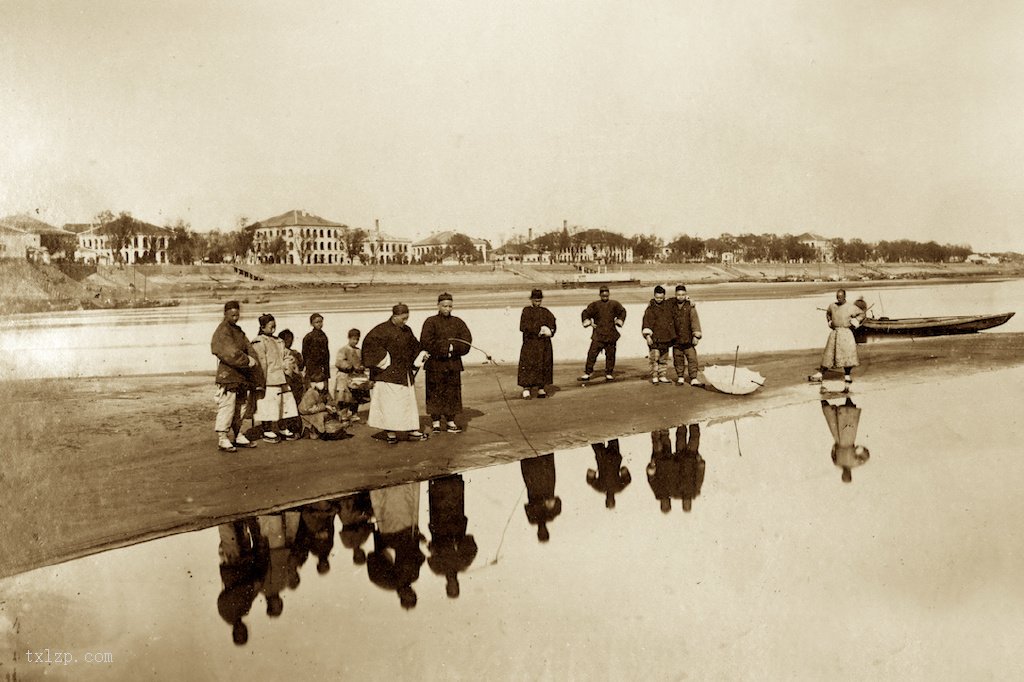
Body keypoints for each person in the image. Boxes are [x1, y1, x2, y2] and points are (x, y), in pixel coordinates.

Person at [362, 303, 429, 444]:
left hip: (404, 373)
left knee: (407, 402)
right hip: (387, 374)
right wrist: (385, 359)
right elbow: (369, 346)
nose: (405, 321)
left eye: (407, 318)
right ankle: (390, 432)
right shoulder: (381, 330)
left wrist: (421, 355)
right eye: (403, 318)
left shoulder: (407, 330)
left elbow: (415, 347)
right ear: (395, 316)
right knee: (389, 405)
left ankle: (411, 429)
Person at [420, 292, 473, 433]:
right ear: (438, 305)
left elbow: (467, 341)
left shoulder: (458, 322)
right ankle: (436, 421)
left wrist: (453, 349)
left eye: (450, 306)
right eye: (444, 306)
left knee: (452, 392)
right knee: (435, 392)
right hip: (435, 365)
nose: (447, 309)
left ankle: (450, 420)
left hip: (453, 364)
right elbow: (425, 341)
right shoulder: (430, 322)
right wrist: (444, 348)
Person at [210, 300, 258, 452]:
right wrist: (247, 360)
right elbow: (229, 353)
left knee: (241, 405)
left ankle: (238, 434)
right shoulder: (222, 331)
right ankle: (223, 438)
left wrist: (253, 360)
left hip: (241, 374)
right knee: (228, 406)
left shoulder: (238, 330)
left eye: (237, 315)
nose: (235, 318)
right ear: (225, 314)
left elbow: (248, 347)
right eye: (232, 315)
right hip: (228, 374)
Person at [251, 314, 299, 443]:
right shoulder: (259, 342)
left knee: (284, 404)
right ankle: (267, 429)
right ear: (262, 327)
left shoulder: (279, 341)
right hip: (269, 379)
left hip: (282, 377)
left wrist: (287, 369)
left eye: (274, 326)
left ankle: (282, 427)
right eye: (271, 326)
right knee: (267, 404)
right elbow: (261, 362)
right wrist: (260, 381)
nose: (273, 329)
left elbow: (287, 356)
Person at [809, 289, 866, 386]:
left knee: (848, 355)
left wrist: (856, 321)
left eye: (840, 297)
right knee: (829, 354)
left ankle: (847, 375)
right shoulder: (832, 306)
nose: (839, 299)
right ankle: (821, 373)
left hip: (846, 333)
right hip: (835, 333)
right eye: (837, 297)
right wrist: (829, 322)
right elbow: (828, 313)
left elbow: (862, 314)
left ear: (844, 297)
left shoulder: (851, 307)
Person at [578, 286, 627, 382]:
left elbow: (622, 312)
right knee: (592, 354)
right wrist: (588, 322)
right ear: (600, 294)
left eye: (606, 294)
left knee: (611, 355)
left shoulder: (614, 304)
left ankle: (609, 373)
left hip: (611, 334)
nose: (605, 296)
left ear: (609, 294)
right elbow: (585, 313)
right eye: (603, 294)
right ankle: (588, 372)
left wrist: (619, 320)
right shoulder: (594, 305)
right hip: (598, 334)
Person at [518, 288, 557, 399]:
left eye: (539, 300)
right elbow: (523, 327)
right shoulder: (526, 311)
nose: (537, 302)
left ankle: (541, 387)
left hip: (544, 344)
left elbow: (553, 322)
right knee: (528, 364)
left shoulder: (545, 311)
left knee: (543, 364)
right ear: (531, 300)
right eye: (535, 300)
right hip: (530, 343)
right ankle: (526, 388)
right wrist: (538, 330)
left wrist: (550, 331)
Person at [822, 397, 870, 483]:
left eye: (844, 475)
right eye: (846, 475)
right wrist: (861, 449)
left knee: (832, 418)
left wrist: (834, 447)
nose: (845, 474)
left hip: (838, 440)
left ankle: (824, 400)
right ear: (850, 474)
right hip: (849, 439)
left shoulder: (837, 464)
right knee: (848, 418)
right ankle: (848, 399)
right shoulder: (856, 463)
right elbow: (866, 457)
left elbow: (833, 455)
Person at [521, 454, 561, 542]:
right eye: (544, 532)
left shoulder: (532, 519)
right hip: (547, 483)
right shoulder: (552, 515)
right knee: (545, 459)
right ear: (547, 531)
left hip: (533, 486)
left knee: (529, 461)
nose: (542, 530)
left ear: (537, 532)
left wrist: (541, 504)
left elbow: (527, 507)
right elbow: (558, 502)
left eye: (540, 533)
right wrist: (553, 502)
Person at [641, 285, 676, 384]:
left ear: (664, 296)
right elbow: (646, 322)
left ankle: (662, 375)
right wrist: (647, 336)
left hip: (666, 337)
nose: (659, 299)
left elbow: (676, 299)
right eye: (657, 297)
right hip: (654, 338)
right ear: (654, 296)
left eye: (661, 297)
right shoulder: (650, 309)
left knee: (664, 358)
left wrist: (688, 299)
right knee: (654, 358)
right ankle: (655, 376)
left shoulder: (668, 304)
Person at [334, 328, 368, 423]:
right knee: (344, 396)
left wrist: (361, 367)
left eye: (357, 339)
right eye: (353, 339)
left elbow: (362, 361)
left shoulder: (359, 351)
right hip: (344, 376)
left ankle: (354, 414)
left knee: (356, 396)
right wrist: (350, 366)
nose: (355, 341)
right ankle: (343, 414)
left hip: (355, 376)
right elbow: (339, 362)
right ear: (349, 338)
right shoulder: (343, 350)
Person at [671, 284, 703, 386]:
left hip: (688, 338)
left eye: (683, 294)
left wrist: (696, 336)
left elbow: (694, 321)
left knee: (692, 358)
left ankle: (693, 378)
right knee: (678, 358)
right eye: (678, 294)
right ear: (675, 295)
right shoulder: (671, 305)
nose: (680, 296)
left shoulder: (690, 306)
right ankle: (680, 377)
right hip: (676, 338)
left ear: (686, 295)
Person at [586, 439, 631, 509]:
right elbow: (627, 480)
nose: (610, 499)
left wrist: (590, 475)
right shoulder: (618, 488)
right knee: (612, 436)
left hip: (602, 457)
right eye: (611, 500)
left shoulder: (600, 488)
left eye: (608, 501)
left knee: (594, 437)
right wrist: (624, 471)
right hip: (613, 457)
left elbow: (590, 481)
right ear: (614, 499)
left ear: (606, 500)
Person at [302, 313, 331, 390]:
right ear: (312, 324)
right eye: (317, 322)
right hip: (311, 366)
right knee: (312, 387)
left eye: (321, 322)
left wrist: (326, 369)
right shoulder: (308, 337)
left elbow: (326, 353)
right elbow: (304, 353)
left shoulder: (324, 336)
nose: (319, 324)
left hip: (323, 365)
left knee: (324, 387)